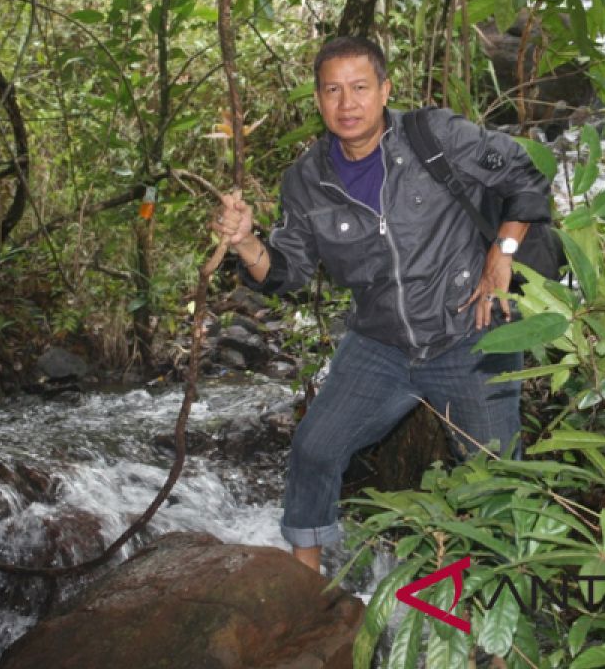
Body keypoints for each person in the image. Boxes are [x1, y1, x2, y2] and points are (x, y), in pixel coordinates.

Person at [211, 36, 551, 572]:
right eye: (333, 91)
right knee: (314, 449)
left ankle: (502, 635)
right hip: (380, 345)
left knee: (498, 482)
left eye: (360, 88)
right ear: (319, 100)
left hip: (469, 332)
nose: (347, 104)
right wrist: (247, 244)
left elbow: (525, 176)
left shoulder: (435, 136)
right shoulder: (306, 180)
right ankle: (303, 594)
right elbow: (287, 272)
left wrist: (501, 255)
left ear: (385, 90)